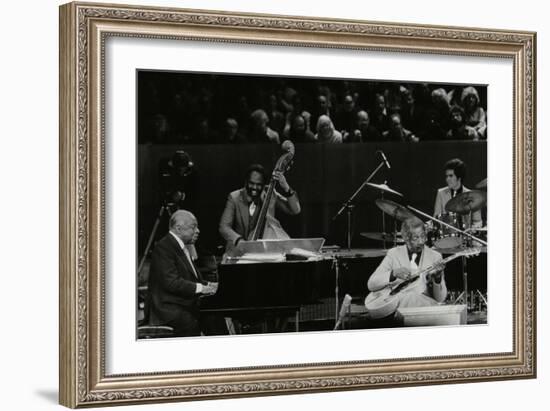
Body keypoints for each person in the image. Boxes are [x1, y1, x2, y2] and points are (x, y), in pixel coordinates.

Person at [147, 210, 218, 337]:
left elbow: (192, 279)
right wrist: (202, 288)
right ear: (178, 229)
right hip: (167, 308)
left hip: (182, 303)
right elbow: (171, 283)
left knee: (215, 317)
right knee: (193, 323)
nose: (198, 231)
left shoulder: (182, 247)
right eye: (193, 227)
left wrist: (211, 285)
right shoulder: (163, 248)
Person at [367, 218, 447, 314]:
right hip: (395, 307)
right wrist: (393, 273)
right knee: (408, 297)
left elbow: (440, 299)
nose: (421, 241)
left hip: (423, 309)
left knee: (410, 297)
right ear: (406, 238)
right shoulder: (394, 254)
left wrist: (438, 279)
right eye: (416, 238)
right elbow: (371, 284)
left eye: (423, 236)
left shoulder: (435, 256)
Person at [219, 163, 301, 250]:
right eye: (251, 183)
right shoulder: (234, 197)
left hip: (263, 250)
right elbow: (224, 227)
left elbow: (295, 210)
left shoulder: (269, 194)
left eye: (259, 184)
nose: (254, 187)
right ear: (246, 181)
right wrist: (239, 240)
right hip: (239, 249)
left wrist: (286, 188)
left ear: (263, 184)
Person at [433, 158, 482, 227]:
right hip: (447, 235)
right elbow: (436, 218)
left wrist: (472, 230)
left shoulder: (472, 195)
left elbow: (478, 221)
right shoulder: (441, 193)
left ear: (459, 177)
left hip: (466, 236)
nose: (447, 179)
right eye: (446, 176)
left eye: (451, 176)